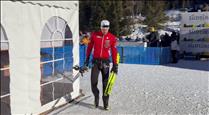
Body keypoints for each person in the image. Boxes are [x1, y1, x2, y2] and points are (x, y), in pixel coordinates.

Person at [84, 20, 119, 110]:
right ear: (101, 27)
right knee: (93, 82)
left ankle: (105, 102)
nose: (104, 30)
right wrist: (87, 59)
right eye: (103, 28)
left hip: (106, 63)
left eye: (106, 28)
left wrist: (115, 65)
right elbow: (89, 47)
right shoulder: (95, 35)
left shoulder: (112, 37)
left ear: (108, 28)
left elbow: (114, 52)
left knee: (106, 84)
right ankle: (96, 96)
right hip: (95, 62)